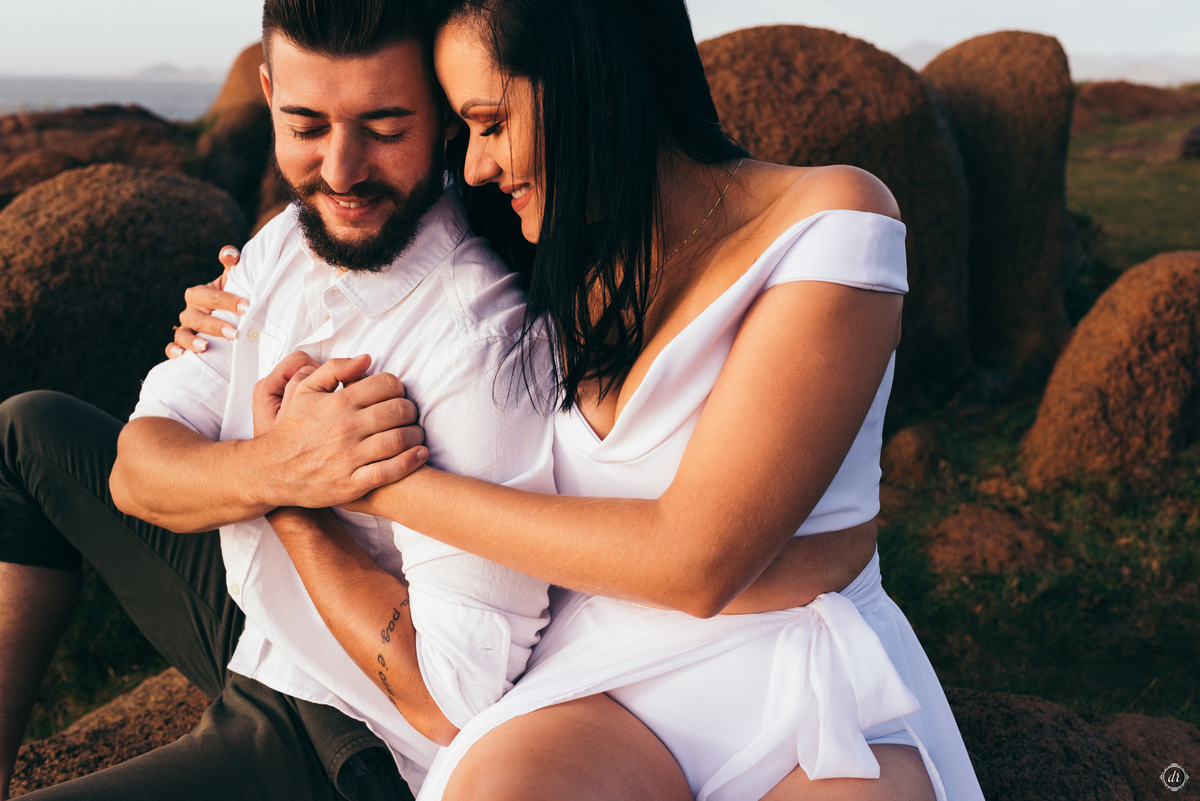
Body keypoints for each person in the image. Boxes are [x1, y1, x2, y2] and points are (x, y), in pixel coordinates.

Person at [240, 0, 985, 798]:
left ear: (587, 81)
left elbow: (696, 560)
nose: (479, 166)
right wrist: (231, 299)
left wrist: (373, 479)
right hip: (598, 678)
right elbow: (360, 246)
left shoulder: (829, 222)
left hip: (808, 674)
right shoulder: (552, 249)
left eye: (491, 124)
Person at [0, 0, 563, 798]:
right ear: (267, 95)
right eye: (306, 127)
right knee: (25, 430)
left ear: (444, 114)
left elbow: (448, 704)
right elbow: (135, 472)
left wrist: (295, 504)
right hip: (259, 620)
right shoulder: (283, 244)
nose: (341, 171)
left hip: (356, 734)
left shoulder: (480, 345)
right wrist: (278, 467)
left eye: (384, 128)